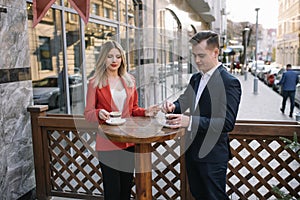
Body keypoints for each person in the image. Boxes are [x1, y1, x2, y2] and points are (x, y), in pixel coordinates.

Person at [162, 31, 241, 200]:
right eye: (194, 55)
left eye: (201, 55)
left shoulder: (230, 82)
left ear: (215, 52)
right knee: (198, 195)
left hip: (212, 156)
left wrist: (189, 121)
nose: (197, 61)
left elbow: (226, 123)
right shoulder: (196, 78)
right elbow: (185, 101)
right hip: (192, 150)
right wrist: (172, 107)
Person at [84, 40, 159, 200]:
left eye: (118, 56)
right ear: (103, 58)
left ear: (122, 59)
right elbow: (88, 113)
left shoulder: (129, 80)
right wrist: (98, 113)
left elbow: (133, 109)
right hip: (107, 142)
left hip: (129, 142)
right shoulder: (94, 83)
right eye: (110, 56)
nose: (114, 60)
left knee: (126, 189)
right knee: (112, 191)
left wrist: (146, 111)